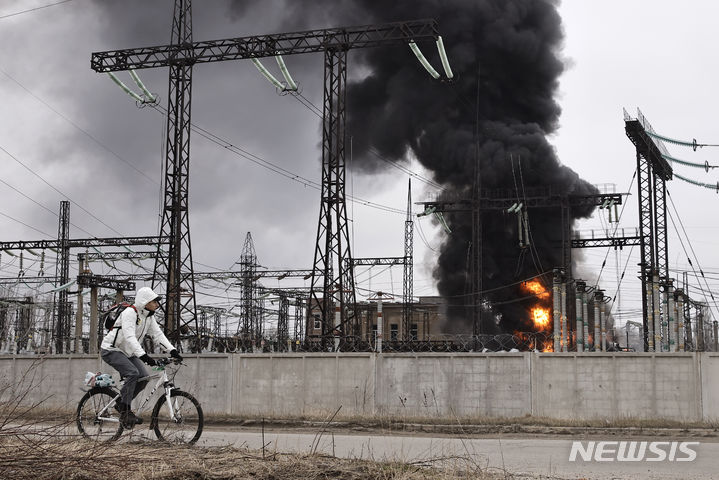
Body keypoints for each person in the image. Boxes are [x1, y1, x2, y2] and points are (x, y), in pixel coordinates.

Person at [100, 286, 182, 428]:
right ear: (145, 302)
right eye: (154, 301)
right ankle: (126, 409)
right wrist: (144, 356)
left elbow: (158, 335)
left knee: (143, 377)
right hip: (111, 349)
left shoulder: (148, 317)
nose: (157, 304)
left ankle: (121, 404)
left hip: (128, 352)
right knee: (132, 373)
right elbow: (129, 337)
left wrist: (173, 350)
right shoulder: (130, 313)